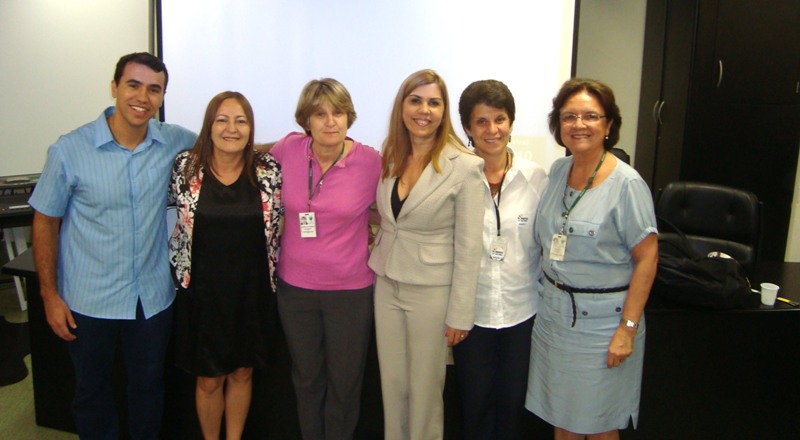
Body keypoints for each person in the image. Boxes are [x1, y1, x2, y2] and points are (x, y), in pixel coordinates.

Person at [29, 52, 196, 439]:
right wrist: (49, 294)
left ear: (162, 96)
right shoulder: (69, 150)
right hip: (88, 301)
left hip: (151, 300)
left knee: (148, 389)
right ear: (115, 88)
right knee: (91, 392)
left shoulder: (174, 141)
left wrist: (299, 144)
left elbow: (227, 143)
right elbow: (45, 221)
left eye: (154, 89)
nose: (143, 97)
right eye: (133, 85)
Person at [525, 78, 658, 440]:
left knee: (599, 426)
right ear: (558, 125)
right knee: (562, 419)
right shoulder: (556, 172)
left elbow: (647, 259)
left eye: (590, 116)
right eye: (569, 117)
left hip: (603, 327)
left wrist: (627, 330)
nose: (579, 125)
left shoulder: (627, 184)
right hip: (554, 319)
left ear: (608, 125)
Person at [368, 69, 485, 440]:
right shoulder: (391, 154)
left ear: (444, 110)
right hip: (387, 284)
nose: (424, 110)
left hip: (432, 292)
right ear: (402, 106)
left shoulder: (464, 165)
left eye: (434, 102)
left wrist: (461, 314)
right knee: (393, 386)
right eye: (415, 100)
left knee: (425, 392)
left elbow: (469, 247)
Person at [269, 78, 381, 440]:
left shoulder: (370, 162)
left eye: (338, 112)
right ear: (306, 120)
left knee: (345, 385)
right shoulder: (288, 149)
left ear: (349, 117)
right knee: (306, 379)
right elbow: (248, 161)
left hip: (349, 293)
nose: (330, 122)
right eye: (320, 114)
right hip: (295, 290)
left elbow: (389, 209)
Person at [168, 91, 282, 440]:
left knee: (243, 373)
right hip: (202, 294)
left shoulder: (268, 171)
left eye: (241, 120)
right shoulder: (186, 166)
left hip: (252, 292)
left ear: (250, 129)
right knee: (208, 378)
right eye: (222, 119)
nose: (231, 128)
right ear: (209, 125)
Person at [453, 79, 548, 440]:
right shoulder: (454, 176)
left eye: (500, 119)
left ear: (511, 123)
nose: (492, 130)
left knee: (512, 406)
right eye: (481, 122)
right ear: (467, 128)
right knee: (474, 406)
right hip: (471, 316)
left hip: (522, 313)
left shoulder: (536, 177)